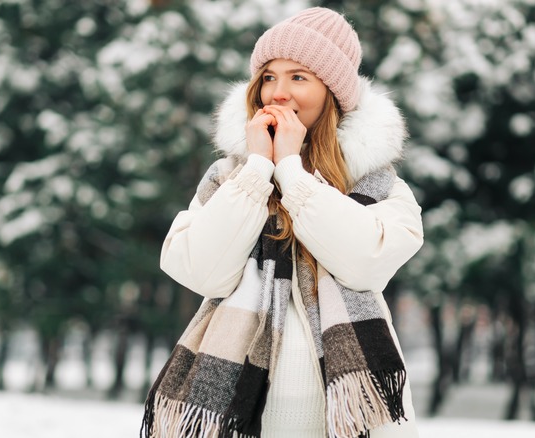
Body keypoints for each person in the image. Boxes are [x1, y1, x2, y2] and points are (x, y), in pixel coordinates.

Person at [142, 7, 423, 438]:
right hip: (239, 411)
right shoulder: (229, 177)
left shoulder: (378, 183)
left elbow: (366, 263)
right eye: (269, 76)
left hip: (345, 411)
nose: (278, 93)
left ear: (332, 92)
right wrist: (257, 169)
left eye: (298, 77)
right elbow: (199, 271)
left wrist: (292, 171)